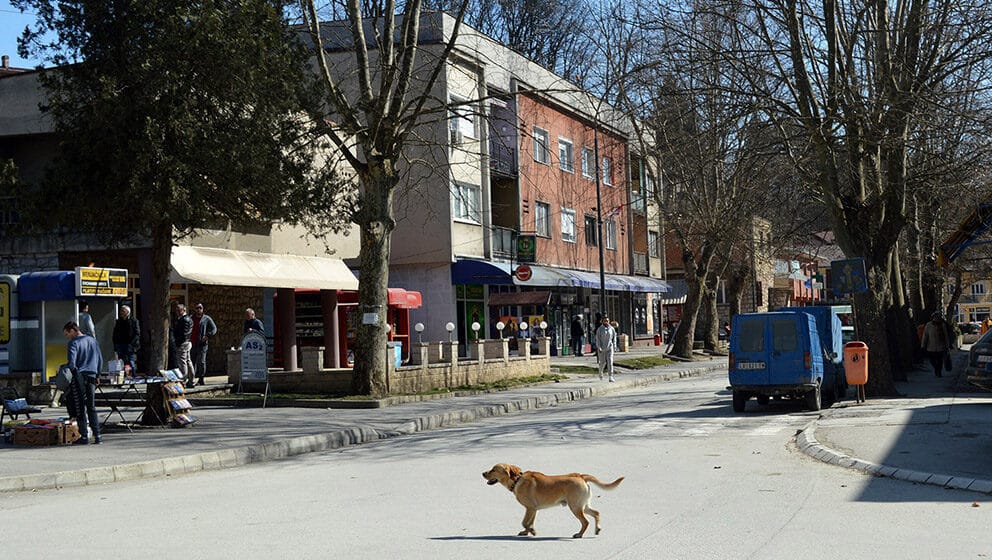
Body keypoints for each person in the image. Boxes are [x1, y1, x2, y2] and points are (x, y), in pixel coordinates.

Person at [64, 321, 102, 444]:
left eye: (67, 334)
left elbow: (71, 363)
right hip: (92, 375)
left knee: (80, 406)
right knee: (91, 406)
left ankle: (84, 436)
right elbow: (100, 359)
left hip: (79, 376)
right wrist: (97, 375)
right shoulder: (92, 341)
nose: (67, 337)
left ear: (73, 330)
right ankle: (97, 435)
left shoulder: (73, 343)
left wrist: (74, 374)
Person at [190, 303, 218, 386]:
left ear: (202, 309)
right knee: (192, 362)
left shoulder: (206, 318)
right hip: (192, 343)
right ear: (195, 309)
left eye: (200, 308)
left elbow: (214, 329)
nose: (199, 309)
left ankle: (201, 379)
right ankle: (191, 379)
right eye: (197, 308)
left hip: (202, 344)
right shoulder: (191, 318)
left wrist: (207, 335)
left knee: (201, 362)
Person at [921, 312, 951, 377]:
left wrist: (947, 345)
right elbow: (925, 335)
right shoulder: (928, 325)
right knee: (932, 360)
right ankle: (936, 369)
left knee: (940, 361)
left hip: (941, 347)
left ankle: (939, 372)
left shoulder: (942, 325)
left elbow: (946, 336)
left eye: (938, 317)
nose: (936, 319)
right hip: (931, 347)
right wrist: (923, 344)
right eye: (935, 317)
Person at [112, 304, 140, 374]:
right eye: (121, 311)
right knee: (121, 362)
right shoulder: (119, 321)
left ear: (127, 312)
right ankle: (123, 378)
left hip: (130, 345)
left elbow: (137, 333)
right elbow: (115, 333)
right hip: (120, 344)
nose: (121, 312)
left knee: (131, 362)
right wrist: (115, 344)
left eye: (123, 311)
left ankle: (133, 378)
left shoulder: (134, 321)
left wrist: (132, 344)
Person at [171, 303, 194, 386]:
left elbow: (183, 333)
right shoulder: (187, 319)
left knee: (182, 362)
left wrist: (178, 343)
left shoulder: (184, 320)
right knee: (188, 361)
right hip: (187, 342)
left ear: (184, 310)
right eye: (176, 310)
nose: (177, 312)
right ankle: (191, 379)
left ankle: (183, 380)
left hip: (183, 343)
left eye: (179, 310)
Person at [594, 315, 617, 382]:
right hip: (602, 348)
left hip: (609, 348)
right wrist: (599, 347)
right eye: (605, 321)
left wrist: (614, 346)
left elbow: (614, 338)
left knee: (610, 361)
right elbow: (597, 339)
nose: (606, 322)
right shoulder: (599, 329)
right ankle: (600, 372)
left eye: (607, 321)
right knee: (602, 363)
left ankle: (610, 376)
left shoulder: (611, 329)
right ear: (602, 322)